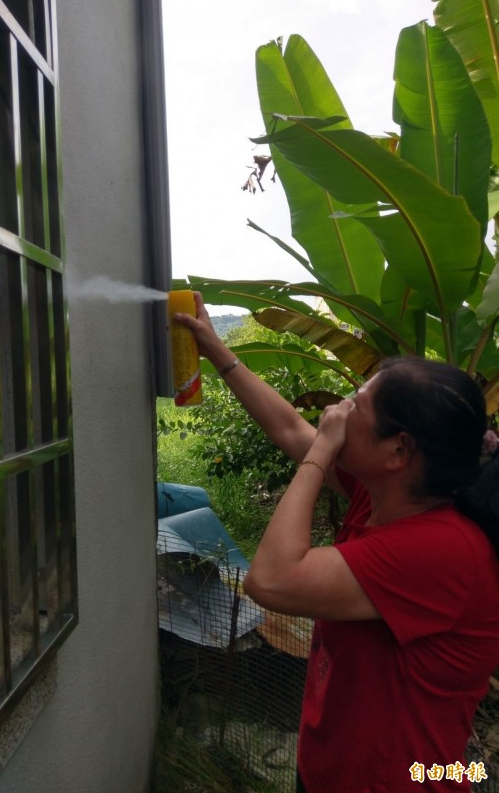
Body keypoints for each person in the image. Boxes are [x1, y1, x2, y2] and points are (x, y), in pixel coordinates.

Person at [173, 292, 499, 793]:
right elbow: (288, 427)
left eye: (357, 406)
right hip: (334, 766)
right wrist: (217, 350)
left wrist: (324, 448)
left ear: (399, 450)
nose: (339, 410)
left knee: (463, 774)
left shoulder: (441, 548)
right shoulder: (386, 496)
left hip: (402, 780)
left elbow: (272, 580)